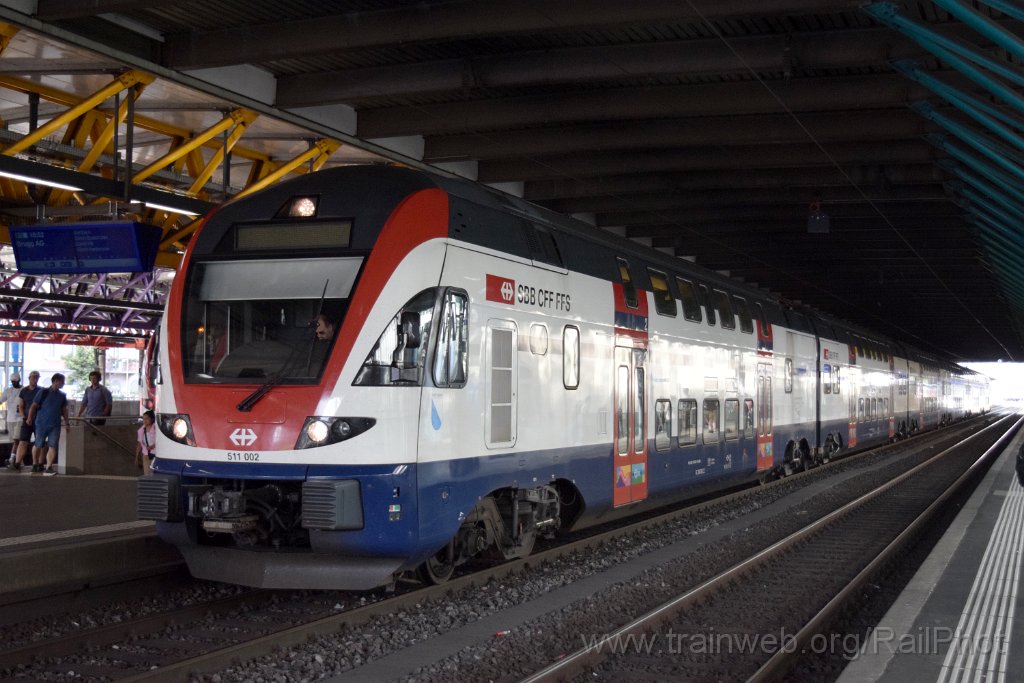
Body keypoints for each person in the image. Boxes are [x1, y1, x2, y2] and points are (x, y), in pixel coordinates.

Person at [27, 373, 70, 476]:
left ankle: (49, 466)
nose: (63, 383)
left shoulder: (62, 396)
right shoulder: (43, 392)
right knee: (38, 444)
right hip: (41, 423)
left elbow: (64, 410)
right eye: (62, 381)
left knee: (53, 446)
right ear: (56, 381)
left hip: (55, 424)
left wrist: (67, 422)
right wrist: (29, 417)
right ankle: (35, 463)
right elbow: (34, 406)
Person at [7, 371, 40, 472]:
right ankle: (17, 462)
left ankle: (36, 463)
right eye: (33, 377)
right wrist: (24, 417)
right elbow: (21, 406)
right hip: (25, 420)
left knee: (39, 442)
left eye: (36, 378)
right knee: (22, 441)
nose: (35, 379)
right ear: (29, 378)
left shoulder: (41, 391)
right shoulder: (24, 391)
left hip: (38, 420)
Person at [1, 372, 20, 463]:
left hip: (20, 418)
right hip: (10, 418)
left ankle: (12, 459)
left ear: (19, 380)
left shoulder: (23, 390)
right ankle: (18, 459)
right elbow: (1, 400)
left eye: (15, 381)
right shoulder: (8, 391)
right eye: (12, 381)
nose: (14, 383)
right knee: (13, 440)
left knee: (17, 439)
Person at [135, 410, 156, 476]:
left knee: (154, 474)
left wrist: (153, 446)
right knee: (147, 474)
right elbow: (139, 444)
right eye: (144, 419)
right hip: (146, 455)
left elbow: (160, 441)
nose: (145, 420)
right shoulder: (141, 430)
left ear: (152, 419)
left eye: (147, 418)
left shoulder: (156, 428)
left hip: (156, 454)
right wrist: (137, 456)